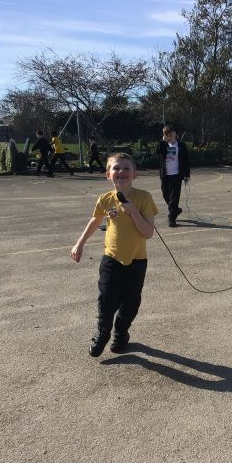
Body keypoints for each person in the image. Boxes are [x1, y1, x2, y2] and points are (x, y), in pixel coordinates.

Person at [71, 152, 158, 356]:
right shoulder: (105, 199)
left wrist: (133, 211)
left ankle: (120, 332)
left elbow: (148, 233)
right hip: (111, 258)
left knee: (131, 302)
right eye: (116, 168)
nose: (121, 171)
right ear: (108, 174)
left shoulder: (144, 198)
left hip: (137, 260)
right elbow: (95, 221)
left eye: (127, 168)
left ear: (134, 174)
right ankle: (103, 332)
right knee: (107, 299)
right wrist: (79, 244)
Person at [156, 124, 190, 227]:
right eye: (167, 135)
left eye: (171, 134)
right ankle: (176, 210)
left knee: (174, 197)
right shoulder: (164, 145)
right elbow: (157, 151)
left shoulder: (181, 145)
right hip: (165, 175)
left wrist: (187, 174)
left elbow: (186, 160)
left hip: (177, 175)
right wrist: (163, 141)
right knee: (166, 195)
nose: (169, 136)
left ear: (176, 134)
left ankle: (171, 218)